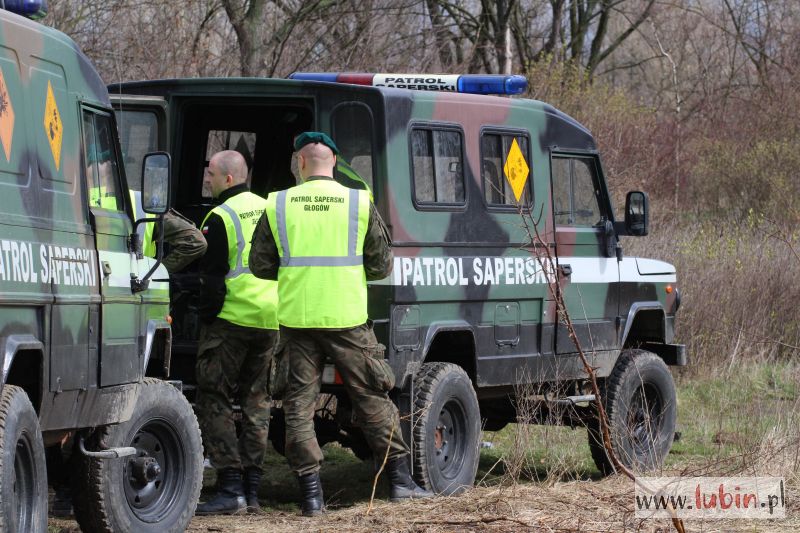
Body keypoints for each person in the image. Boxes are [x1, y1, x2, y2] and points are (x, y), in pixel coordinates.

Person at [249, 132, 432, 517]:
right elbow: (381, 266)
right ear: (334, 161)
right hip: (347, 318)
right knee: (372, 398)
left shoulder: (278, 203)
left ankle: (311, 498)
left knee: (298, 407)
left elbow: (260, 266)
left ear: (300, 162)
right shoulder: (358, 201)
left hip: (298, 320)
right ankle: (400, 484)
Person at [194, 150, 279, 515]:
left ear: (228, 179)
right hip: (270, 320)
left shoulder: (220, 216)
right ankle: (253, 490)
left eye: (211, 173)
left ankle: (230, 486)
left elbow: (212, 279)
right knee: (257, 402)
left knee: (214, 397)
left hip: (231, 320)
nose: (207, 179)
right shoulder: (271, 209)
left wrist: (205, 317)